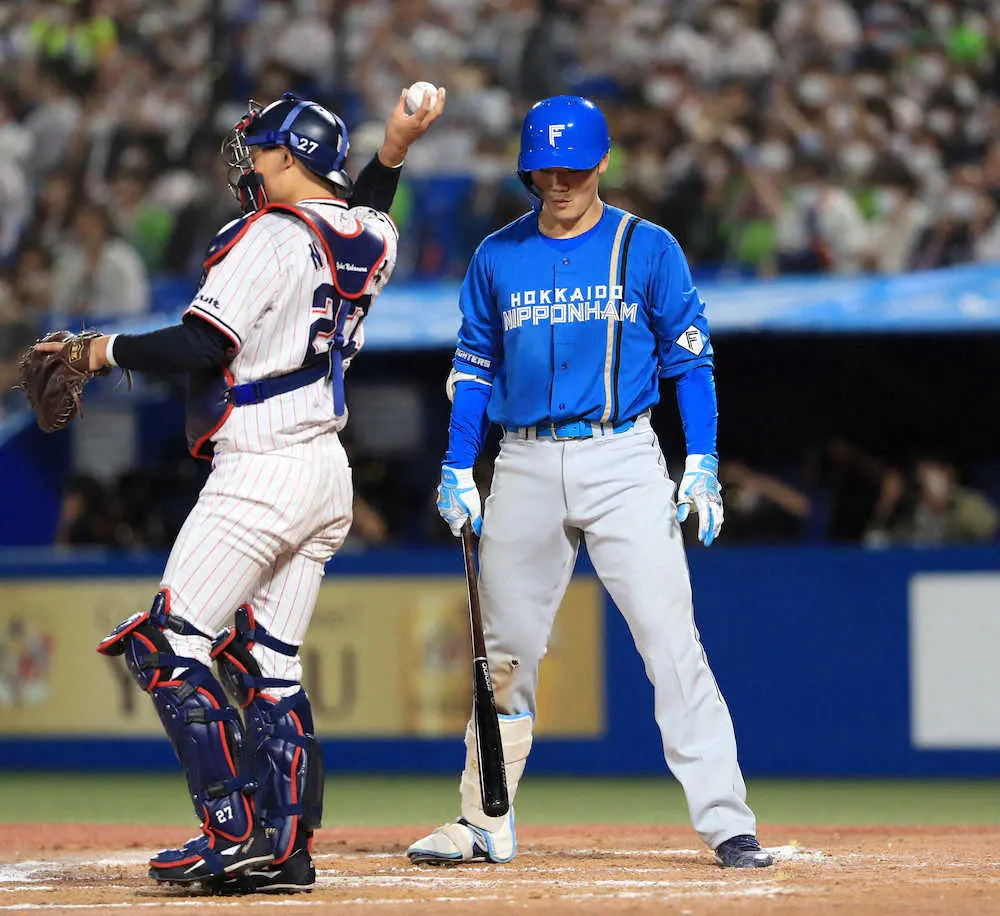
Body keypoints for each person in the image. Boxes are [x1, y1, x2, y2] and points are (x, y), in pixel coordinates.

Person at [39, 88, 446, 893]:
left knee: (168, 642)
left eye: (261, 152)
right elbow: (367, 202)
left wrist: (96, 351)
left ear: (289, 160)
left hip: (262, 468)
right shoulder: (367, 236)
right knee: (268, 661)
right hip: (326, 472)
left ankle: (232, 830)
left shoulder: (268, 235)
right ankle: (285, 846)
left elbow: (200, 342)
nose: (251, 165)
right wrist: (392, 150)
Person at [407, 96, 772, 870]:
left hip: (623, 457)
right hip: (525, 459)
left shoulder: (648, 246)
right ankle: (484, 821)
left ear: (602, 162)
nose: (560, 180)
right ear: (527, 169)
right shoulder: (497, 255)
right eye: (546, 168)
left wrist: (700, 459)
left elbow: (690, 360)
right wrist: (456, 463)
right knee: (503, 653)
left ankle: (727, 821)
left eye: (574, 167)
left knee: (671, 640)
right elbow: (472, 368)